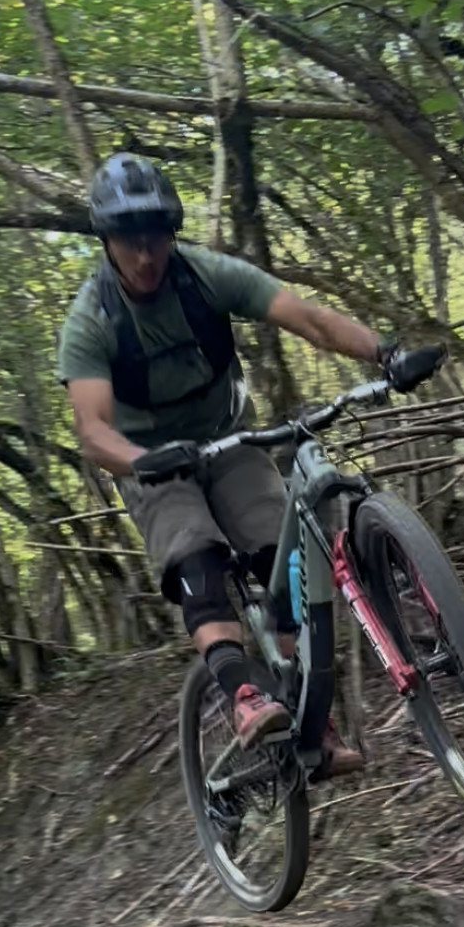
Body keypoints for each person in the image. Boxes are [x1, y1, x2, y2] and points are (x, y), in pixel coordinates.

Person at [58, 153, 438, 773]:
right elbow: (93, 432)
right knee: (195, 554)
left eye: (156, 236)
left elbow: (309, 319)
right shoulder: (92, 320)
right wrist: (145, 459)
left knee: (281, 553)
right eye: (131, 240)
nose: (147, 254)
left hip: (228, 439)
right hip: (150, 461)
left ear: (171, 232)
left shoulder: (206, 276)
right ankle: (241, 693)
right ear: (107, 241)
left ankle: (310, 716)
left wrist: (386, 354)